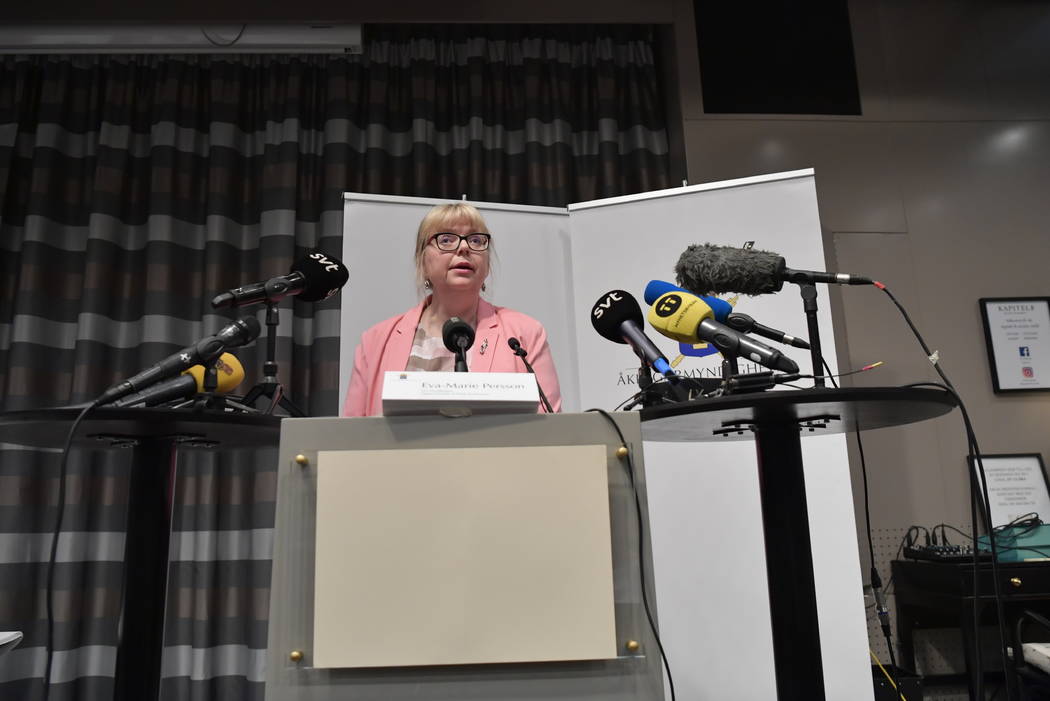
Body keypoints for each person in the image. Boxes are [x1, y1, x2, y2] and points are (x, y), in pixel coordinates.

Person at [343, 203, 562, 417]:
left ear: (487, 264)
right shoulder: (375, 341)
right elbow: (351, 437)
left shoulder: (524, 334)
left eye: (476, 240)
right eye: (446, 239)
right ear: (422, 260)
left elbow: (550, 431)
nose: (464, 248)